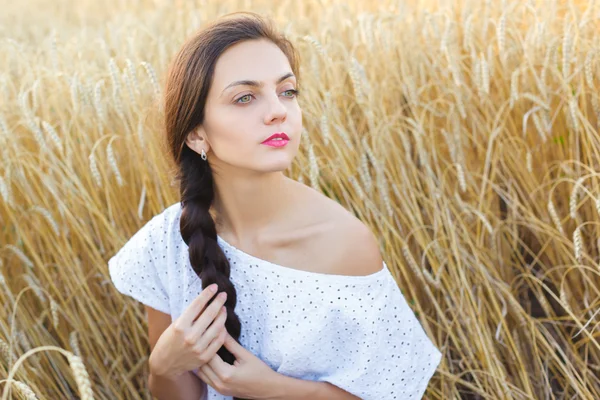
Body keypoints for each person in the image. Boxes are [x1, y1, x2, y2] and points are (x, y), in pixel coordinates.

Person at [108, 11, 442, 400]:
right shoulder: (168, 242)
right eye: (245, 97)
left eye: (287, 91)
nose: (278, 111)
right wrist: (163, 366)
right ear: (197, 134)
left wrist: (279, 390)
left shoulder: (344, 245)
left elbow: (389, 393)